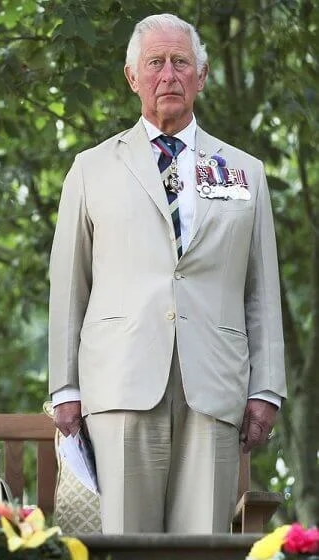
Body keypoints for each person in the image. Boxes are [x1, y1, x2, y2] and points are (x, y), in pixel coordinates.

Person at [48, 13, 287, 534]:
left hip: (216, 383)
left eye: (181, 62)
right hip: (120, 381)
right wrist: (64, 387)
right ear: (133, 76)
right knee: (127, 541)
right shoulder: (90, 170)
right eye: (155, 63)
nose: (169, 75)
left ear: (201, 75)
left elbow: (261, 290)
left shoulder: (246, 172)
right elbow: (69, 286)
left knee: (202, 540)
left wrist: (266, 389)